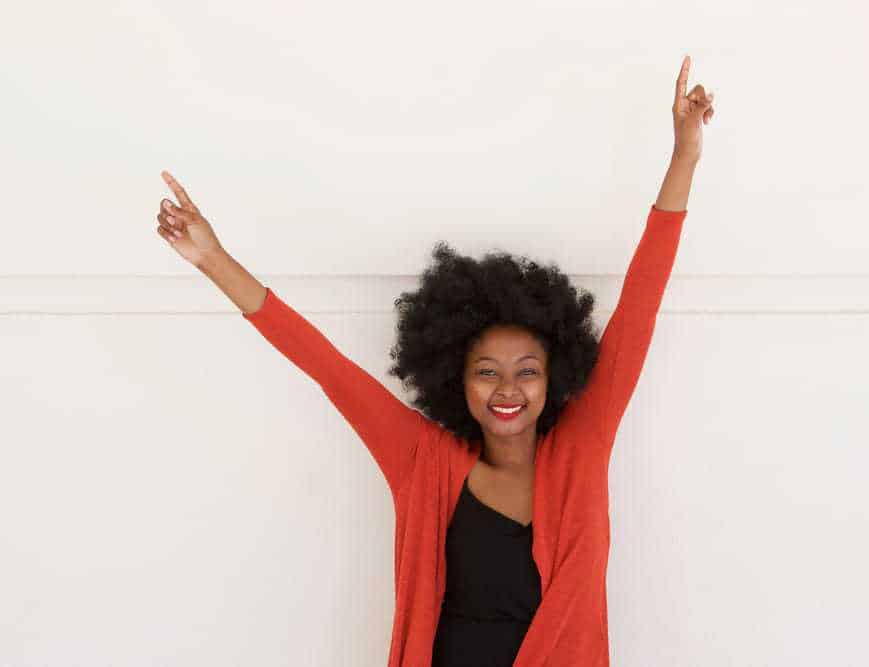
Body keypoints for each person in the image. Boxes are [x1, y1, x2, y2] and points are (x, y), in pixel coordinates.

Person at [153, 54, 713, 667]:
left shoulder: (582, 449)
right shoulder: (423, 464)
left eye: (527, 370)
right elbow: (328, 368)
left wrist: (683, 155)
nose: (508, 388)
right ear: (457, 378)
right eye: (487, 370)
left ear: (555, 379)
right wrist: (212, 259)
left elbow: (637, 310)